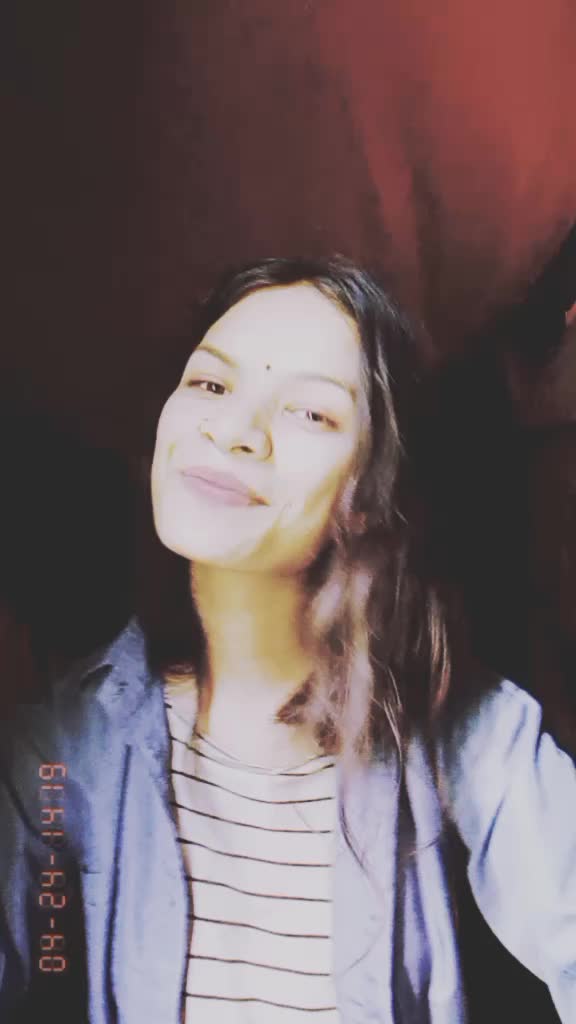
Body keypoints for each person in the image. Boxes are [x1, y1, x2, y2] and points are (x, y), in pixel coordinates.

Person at [0, 256, 575, 1024]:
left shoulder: (469, 733)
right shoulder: (64, 746)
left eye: (310, 413)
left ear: (370, 495)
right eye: (211, 384)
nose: (234, 431)